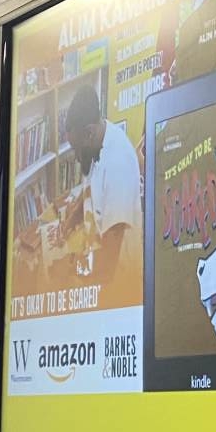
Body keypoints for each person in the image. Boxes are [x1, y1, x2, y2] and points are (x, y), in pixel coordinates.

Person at [63, 84, 142, 292]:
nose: (77, 158)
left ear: (89, 133)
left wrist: (80, 290)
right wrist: (74, 215)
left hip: (120, 278)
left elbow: (108, 265)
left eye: (77, 150)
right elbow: (91, 184)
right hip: (96, 251)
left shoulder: (118, 164)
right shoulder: (97, 137)